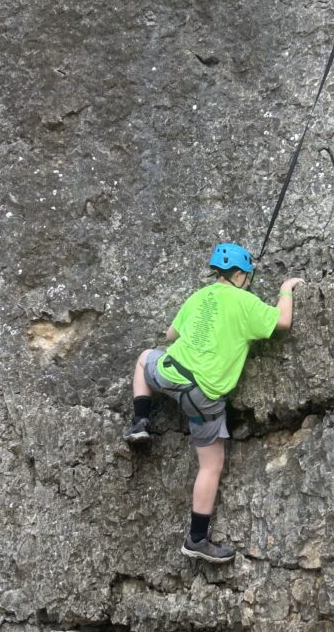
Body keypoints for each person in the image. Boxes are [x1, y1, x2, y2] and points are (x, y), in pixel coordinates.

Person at [124, 241, 304, 564]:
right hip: (203, 396)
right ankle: (196, 538)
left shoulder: (198, 296)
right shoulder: (245, 303)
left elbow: (169, 336)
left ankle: (140, 422)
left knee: (143, 360)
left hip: (169, 374)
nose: (248, 282)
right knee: (211, 465)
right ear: (237, 275)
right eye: (247, 277)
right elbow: (283, 321)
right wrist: (286, 288)